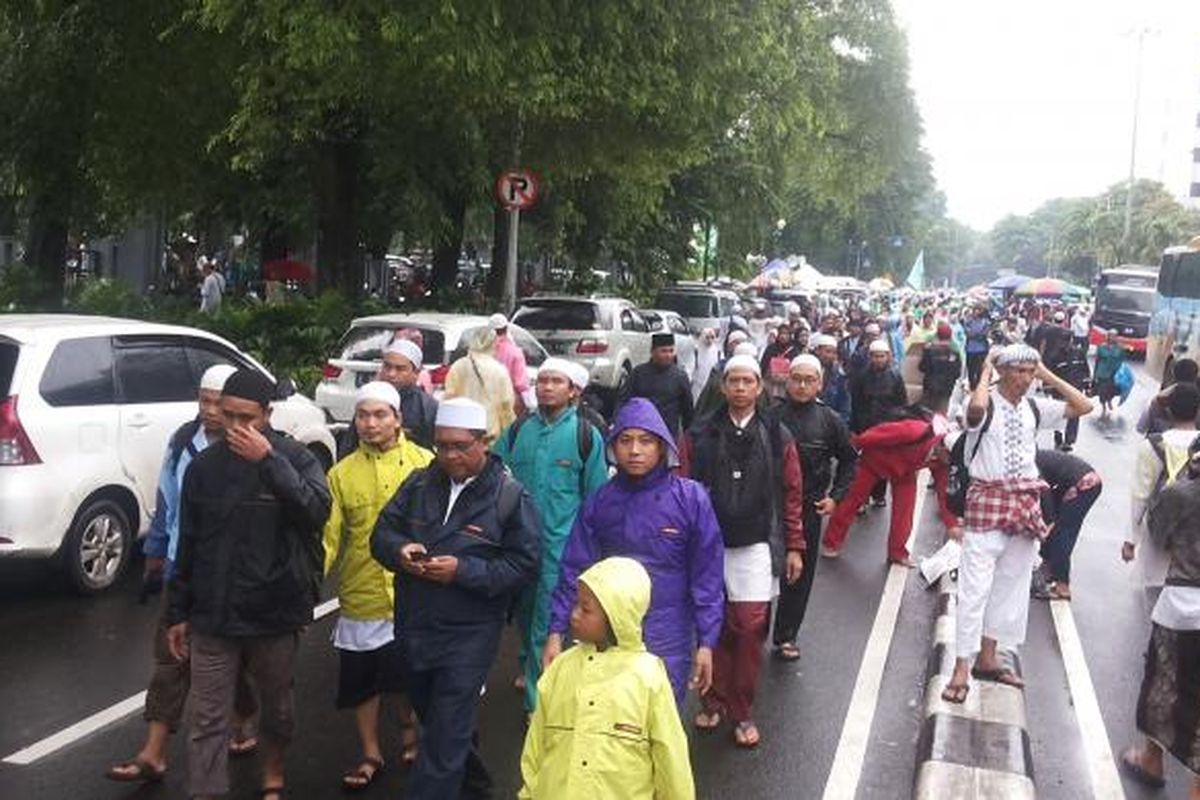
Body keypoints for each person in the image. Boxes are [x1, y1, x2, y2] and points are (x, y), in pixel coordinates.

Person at [167, 369, 332, 800]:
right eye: (228, 415)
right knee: (206, 717)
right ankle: (207, 790)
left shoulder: (294, 457)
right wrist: (177, 612)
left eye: (247, 417)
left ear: (268, 414)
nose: (236, 426)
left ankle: (273, 773)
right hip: (213, 614)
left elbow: (316, 512)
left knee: (277, 709)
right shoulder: (204, 466)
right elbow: (190, 540)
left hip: (273, 612)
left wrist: (269, 463)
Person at [370, 397, 541, 799]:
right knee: (441, 721)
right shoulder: (417, 483)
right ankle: (477, 787)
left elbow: (524, 565)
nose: (450, 455)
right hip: (414, 625)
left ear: (485, 442)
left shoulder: (510, 497)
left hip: (469, 633)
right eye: (442, 445)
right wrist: (400, 552)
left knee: (444, 736)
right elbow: (381, 534)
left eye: (461, 446)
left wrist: (463, 572)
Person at [105, 365, 259, 784]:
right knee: (170, 660)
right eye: (204, 401)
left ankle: (244, 713)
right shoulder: (182, 442)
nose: (210, 412)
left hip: (236, 575)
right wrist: (156, 552)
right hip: (183, 566)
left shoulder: (256, 450)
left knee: (236, 659)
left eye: (218, 404)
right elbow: (166, 499)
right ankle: (153, 751)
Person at [543, 398, 724, 706]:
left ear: (662, 446)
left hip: (668, 631)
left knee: (662, 719)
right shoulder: (601, 501)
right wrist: (556, 630)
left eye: (646, 441)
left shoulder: (690, 499)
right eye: (625, 441)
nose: (635, 450)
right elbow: (575, 569)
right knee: (611, 721)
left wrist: (707, 642)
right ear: (614, 446)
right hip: (607, 630)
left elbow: (707, 576)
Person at [940, 345, 1093, 704]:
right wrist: (985, 372)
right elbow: (974, 413)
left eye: (1030, 372)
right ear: (1003, 371)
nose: (1026, 378)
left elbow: (1083, 407)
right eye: (1020, 371)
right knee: (975, 588)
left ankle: (988, 657)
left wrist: (1046, 374)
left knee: (1011, 585)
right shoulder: (985, 401)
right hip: (987, 504)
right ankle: (961, 666)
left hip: (1024, 504)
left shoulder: (1035, 406)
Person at [679, 356, 804, 747]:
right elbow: (681, 488)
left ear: (760, 387)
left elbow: (792, 493)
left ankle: (742, 711)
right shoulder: (699, 434)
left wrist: (795, 545)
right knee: (712, 627)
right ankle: (712, 700)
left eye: (748, 381)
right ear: (723, 386)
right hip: (709, 546)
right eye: (733, 381)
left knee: (748, 627)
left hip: (756, 546)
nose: (740, 388)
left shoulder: (776, 434)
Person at [324, 382, 433, 789]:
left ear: (398, 419)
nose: (370, 424)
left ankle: (410, 734)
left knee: (407, 675)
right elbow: (329, 538)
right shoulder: (341, 474)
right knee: (362, 679)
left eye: (380, 415)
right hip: (363, 592)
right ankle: (370, 751)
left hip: (415, 591)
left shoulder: (426, 465)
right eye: (363, 416)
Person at [519, 557, 694, 800]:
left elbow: (670, 755)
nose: (574, 615)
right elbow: (535, 746)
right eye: (576, 604)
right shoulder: (561, 668)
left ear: (617, 616)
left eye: (586, 608)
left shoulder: (648, 677)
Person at [493, 358, 609, 712]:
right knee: (525, 614)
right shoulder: (518, 430)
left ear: (573, 391)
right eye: (541, 380)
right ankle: (529, 664)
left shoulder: (586, 436)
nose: (545, 387)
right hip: (518, 545)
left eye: (555, 381)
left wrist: (591, 552)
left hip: (561, 550)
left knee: (547, 621)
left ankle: (538, 704)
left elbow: (595, 498)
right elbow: (494, 471)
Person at [1119, 441, 1200, 799]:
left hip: (1182, 606)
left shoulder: (1182, 492)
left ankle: (1152, 760)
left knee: (1162, 685)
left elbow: (1158, 533)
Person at [772, 354, 857, 659]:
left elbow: (849, 461)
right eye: (797, 379)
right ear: (787, 381)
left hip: (808, 507)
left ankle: (786, 635)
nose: (802, 386)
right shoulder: (770, 415)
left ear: (820, 383)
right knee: (761, 571)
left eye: (809, 380)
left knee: (798, 576)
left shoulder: (830, 421)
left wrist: (836, 496)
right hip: (769, 508)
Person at [820, 407, 948, 565]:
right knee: (850, 502)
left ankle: (897, 552)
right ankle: (831, 543)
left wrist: (952, 525)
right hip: (873, 461)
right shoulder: (917, 430)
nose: (950, 460)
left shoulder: (943, 462)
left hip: (905, 472)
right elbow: (882, 433)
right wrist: (855, 447)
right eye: (949, 455)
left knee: (905, 512)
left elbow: (944, 492)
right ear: (943, 446)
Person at [1124, 383, 1200, 602]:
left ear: (1168, 411)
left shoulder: (1154, 446)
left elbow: (1140, 495)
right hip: (1194, 539)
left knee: (1157, 603)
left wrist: (1131, 540)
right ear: (1197, 411)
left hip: (1160, 534)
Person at [1032, 449, 1102, 601]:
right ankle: (1048, 567)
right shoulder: (1032, 456)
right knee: (1054, 525)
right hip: (1070, 482)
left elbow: (1044, 493)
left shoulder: (1029, 463)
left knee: (1063, 532)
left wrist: (1049, 522)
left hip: (1085, 485)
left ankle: (1062, 586)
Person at [849, 338, 908, 507]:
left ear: (888, 356)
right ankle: (862, 498)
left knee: (883, 463)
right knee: (864, 465)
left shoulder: (896, 377)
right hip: (865, 426)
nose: (878, 360)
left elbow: (902, 403)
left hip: (886, 428)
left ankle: (879, 495)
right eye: (875, 356)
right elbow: (856, 403)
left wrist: (899, 426)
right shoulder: (861, 377)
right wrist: (854, 429)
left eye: (881, 356)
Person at [444, 327, 517, 441]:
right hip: (489, 433)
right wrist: (509, 432)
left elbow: (449, 398)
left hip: (462, 431)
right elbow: (506, 404)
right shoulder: (499, 370)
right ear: (493, 343)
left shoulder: (458, 366)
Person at [620, 332, 695, 439]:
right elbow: (624, 400)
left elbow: (688, 411)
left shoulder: (680, 376)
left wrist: (689, 437)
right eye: (663, 351)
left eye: (671, 351)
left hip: (668, 435)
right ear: (653, 352)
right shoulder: (639, 373)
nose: (668, 355)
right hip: (642, 432)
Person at [489, 313, 533, 414]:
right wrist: (529, 405)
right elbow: (521, 383)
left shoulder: (483, 351)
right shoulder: (514, 352)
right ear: (506, 328)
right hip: (508, 402)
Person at [918, 323, 962, 414]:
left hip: (930, 388)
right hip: (946, 390)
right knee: (941, 415)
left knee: (927, 414)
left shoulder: (929, 351)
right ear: (950, 336)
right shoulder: (955, 352)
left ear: (937, 335)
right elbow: (958, 373)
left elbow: (922, 367)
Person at [811, 332, 851, 422]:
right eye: (828, 351)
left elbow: (844, 404)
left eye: (834, 353)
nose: (831, 356)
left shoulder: (838, 375)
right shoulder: (806, 370)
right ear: (817, 350)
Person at [1093, 329, 1125, 416]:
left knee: (1112, 390)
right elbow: (1097, 361)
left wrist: (1121, 373)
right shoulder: (1101, 347)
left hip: (1114, 372)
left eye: (1114, 336)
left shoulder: (1120, 348)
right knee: (1102, 390)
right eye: (1110, 336)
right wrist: (1095, 375)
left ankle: (1109, 400)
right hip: (1103, 373)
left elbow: (1122, 360)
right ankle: (1103, 404)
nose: (1112, 338)